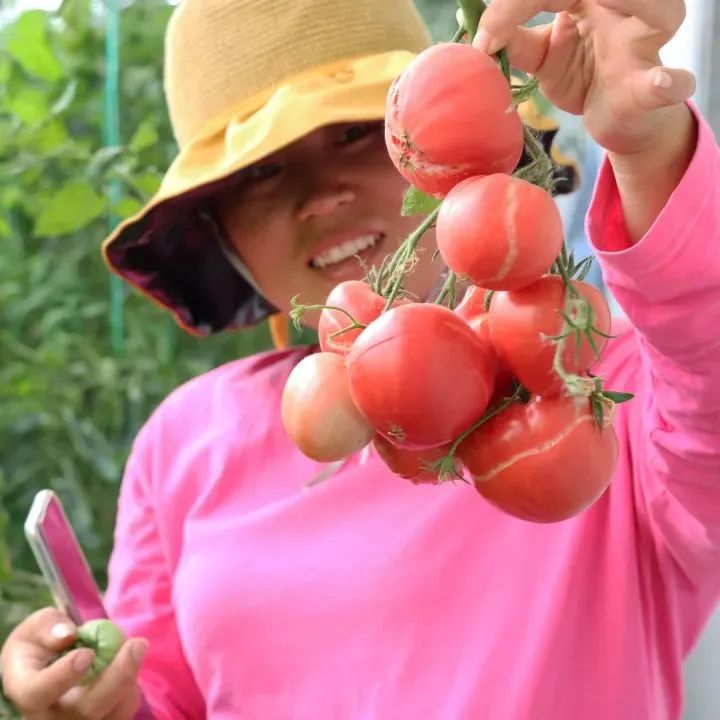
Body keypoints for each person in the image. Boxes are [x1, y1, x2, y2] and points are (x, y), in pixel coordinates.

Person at [1, 0, 719, 717]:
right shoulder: (184, 441)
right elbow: (165, 697)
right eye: (258, 173)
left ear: (457, 145)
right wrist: (99, 703)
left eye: (354, 133)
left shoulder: (592, 381)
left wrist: (649, 149)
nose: (322, 197)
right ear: (217, 234)